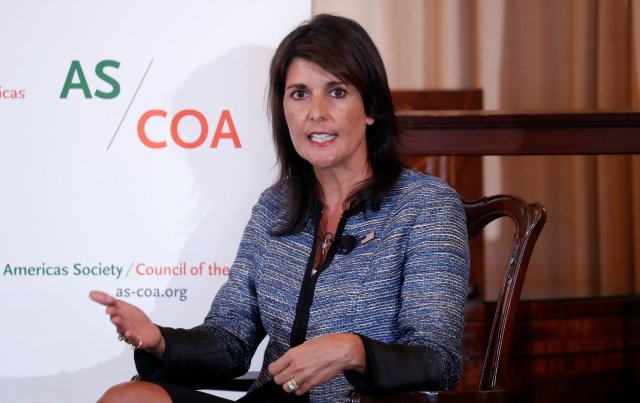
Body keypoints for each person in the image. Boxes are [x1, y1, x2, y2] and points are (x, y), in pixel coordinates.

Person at [90, 13, 470, 403]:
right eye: (299, 93)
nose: (316, 112)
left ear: (371, 108)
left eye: (337, 91)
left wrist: (352, 350)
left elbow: (438, 360)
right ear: (283, 110)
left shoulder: (427, 206)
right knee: (128, 398)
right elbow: (231, 339)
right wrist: (160, 342)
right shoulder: (274, 207)